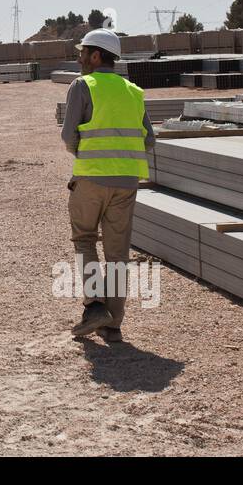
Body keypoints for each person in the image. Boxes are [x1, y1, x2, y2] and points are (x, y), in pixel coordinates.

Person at [59, 29, 155, 343]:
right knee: (117, 253)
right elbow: (149, 140)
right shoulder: (133, 91)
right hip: (127, 182)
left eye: (83, 52)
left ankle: (95, 306)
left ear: (96, 55)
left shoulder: (82, 85)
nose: (79, 57)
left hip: (91, 177)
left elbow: (67, 135)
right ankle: (113, 325)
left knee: (85, 239)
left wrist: (85, 154)